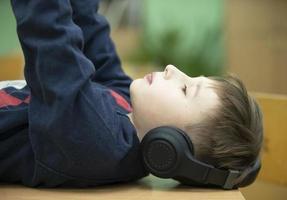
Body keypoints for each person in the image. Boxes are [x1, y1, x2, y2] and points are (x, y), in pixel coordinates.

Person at [0, 0, 263, 188]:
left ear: (170, 148)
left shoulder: (96, 140)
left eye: (185, 89)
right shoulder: (130, 112)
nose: (173, 69)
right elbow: (91, 33)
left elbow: (51, 36)